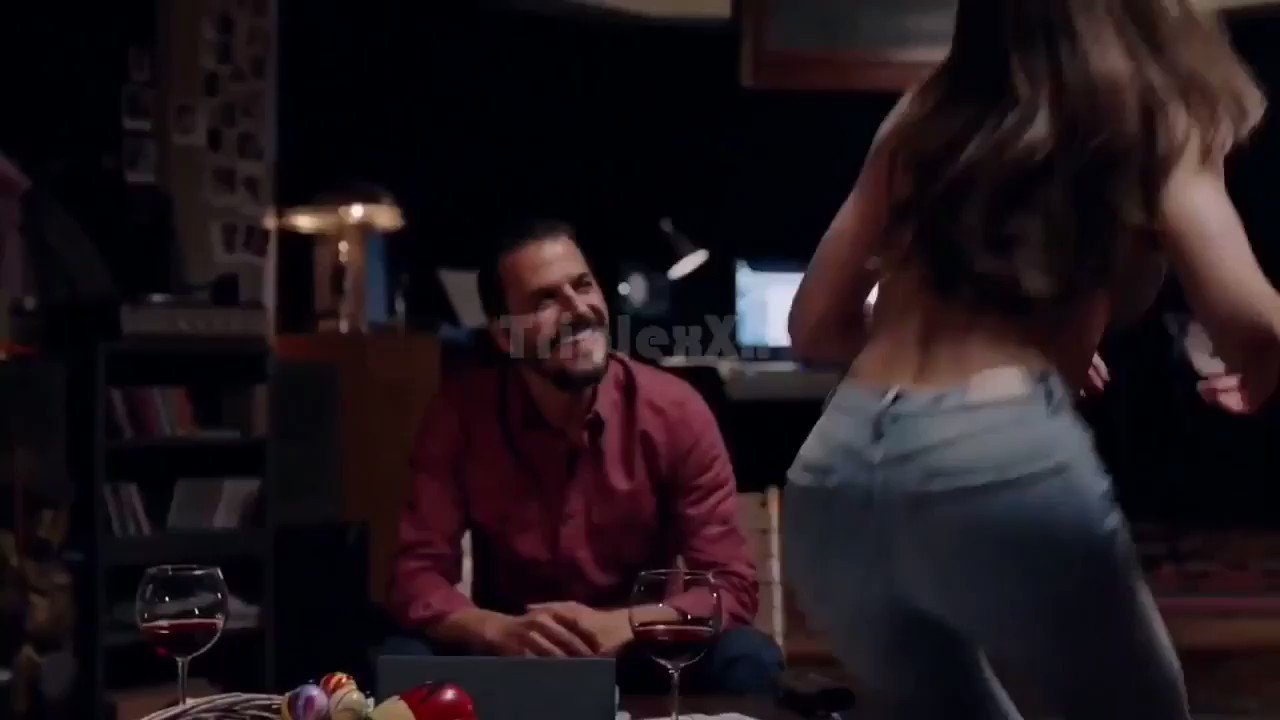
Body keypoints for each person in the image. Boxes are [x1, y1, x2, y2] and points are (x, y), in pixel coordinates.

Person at [782, 1, 1275, 718]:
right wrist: (1262, 359)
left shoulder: (924, 112)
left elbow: (815, 328)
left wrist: (990, 345)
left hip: (835, 470)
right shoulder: (1151, 111)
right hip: (993, 451)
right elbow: (1248, 317)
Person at [384, 219, 783, 696]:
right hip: (516, 652)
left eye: (584, 285)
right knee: (397, 655)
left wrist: (626, 625)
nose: (578, 310)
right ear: (505, 337)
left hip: (638, 650)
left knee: (749, 657)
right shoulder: (459, 415)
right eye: (545, 301)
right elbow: (415, 577)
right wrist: (494, 629)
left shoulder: (674, 412)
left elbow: (730, 587)